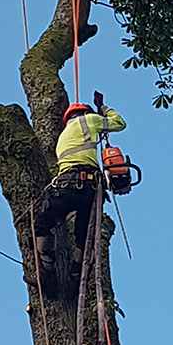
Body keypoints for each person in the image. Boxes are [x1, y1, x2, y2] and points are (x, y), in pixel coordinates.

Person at [34, 98, 126, 291]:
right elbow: (119, 123)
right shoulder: (89, 120)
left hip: (65, 187)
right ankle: (77, 272)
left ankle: (47, 267)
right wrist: (103, 108)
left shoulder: (62, 137)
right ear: (85, 113)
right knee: (83, 234)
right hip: (89, 188)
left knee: (42, 223)